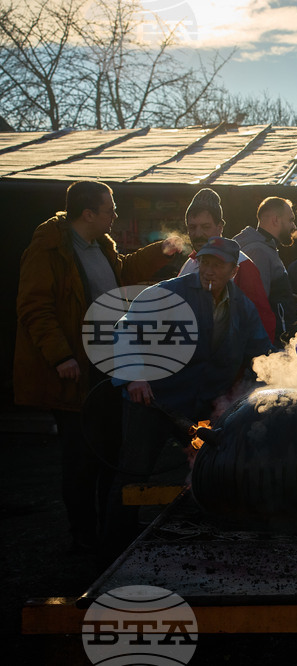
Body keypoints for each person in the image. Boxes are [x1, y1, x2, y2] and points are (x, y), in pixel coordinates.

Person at [13, 179, 182, 551]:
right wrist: (61, 356)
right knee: (80, 458)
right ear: (88, 214)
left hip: (105, 367)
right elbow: (33, 307)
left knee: (110, 452)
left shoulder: (100, 246)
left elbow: (123, 274)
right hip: (74, 372)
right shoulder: (49, 249)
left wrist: (163, 251)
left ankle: (109, 534)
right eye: (110, 209)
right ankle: (83, 537)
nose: (115, 214)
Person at [103, 236, 274, 556]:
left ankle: (197, 543)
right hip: (152, 399)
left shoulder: (242, 307)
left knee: (205, 470)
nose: (209, 271)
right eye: (205, 263)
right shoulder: (168, 294)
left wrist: (292, 372)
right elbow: (125, 329)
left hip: (199, 405)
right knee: (133, 473)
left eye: (218, 265)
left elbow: (261, 352)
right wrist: (134, 376)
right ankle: (112, 549)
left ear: (233, 271)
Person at [177, 188, 277, 343]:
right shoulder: (189, 265)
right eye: (192, 227)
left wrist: (251, 365)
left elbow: (262, 323)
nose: (198, 234)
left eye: (205, 227)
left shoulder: (241, 265)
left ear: (220, 227)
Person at [234, 197, 297, 343]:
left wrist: (287, 296)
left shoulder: (265, 248)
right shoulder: (258, 251)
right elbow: (256, 304)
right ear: (275, 220)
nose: (294, 226)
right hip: (269, 343)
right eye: (290, 220)